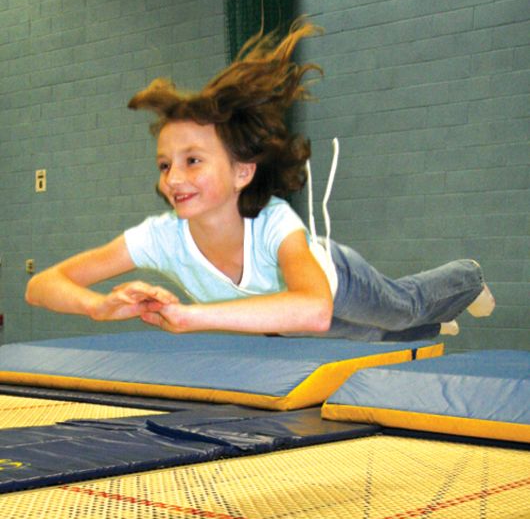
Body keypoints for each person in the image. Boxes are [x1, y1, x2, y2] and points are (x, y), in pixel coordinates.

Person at [26, 19, 495, 341]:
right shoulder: (160, 237)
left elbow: (314, 309)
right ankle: (437, 325)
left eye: (193, 161)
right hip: (282, 322)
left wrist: (192, 316)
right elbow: (43, 284)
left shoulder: (272, 224)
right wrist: (98, 305)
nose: (174, 178)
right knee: (375, 336)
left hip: (334, 284)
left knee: (403, 308)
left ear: (242, 172)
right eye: (165, 164)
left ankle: (467, 278)